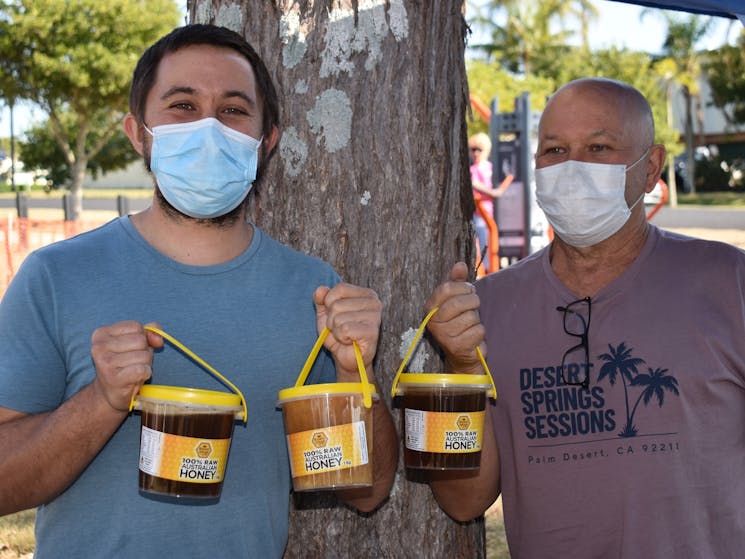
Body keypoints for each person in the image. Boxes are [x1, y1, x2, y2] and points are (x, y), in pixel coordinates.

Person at [0, 24, 397, 557]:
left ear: (266, 141)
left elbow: (366, 492)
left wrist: (354, 375)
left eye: (233, 110)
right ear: (138, 133)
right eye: (182, 106)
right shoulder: (55, 277)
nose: (209, 127)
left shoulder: (315, 292)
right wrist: (102, 401)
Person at [426, 78, 745, 557]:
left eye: (599, 147)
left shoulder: (728, 281)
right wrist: (462, 367)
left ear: (652, 166)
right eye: (554, 149)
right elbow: (462, 501)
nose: (572, 167)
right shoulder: (485, 307)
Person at [468, 132, 510, 273]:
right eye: (472, 149)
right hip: (478, 213)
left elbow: (505, 180)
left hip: (489, 213)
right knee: (479, 245)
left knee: (490, 244)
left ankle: (488, 270)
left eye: (478, 149)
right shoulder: (472, 170)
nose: (475, 153)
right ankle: (484, 271)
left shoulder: (490, 168)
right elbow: (473, 183)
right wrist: (492, 193)